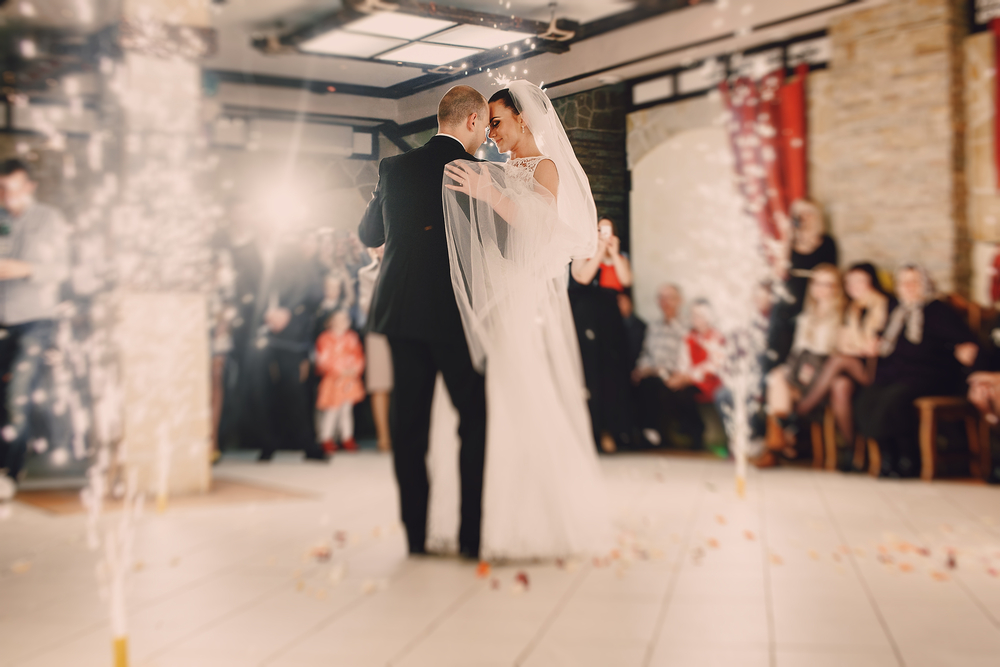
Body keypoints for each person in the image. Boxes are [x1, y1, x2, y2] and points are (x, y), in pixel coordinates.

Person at [437, 80, 613, 560]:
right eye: (488, 124)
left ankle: (530, 515)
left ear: (522, 117)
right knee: (486, 395)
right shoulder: (499, 168)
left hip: (520, 297)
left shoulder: (546, 167)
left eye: (497, 122)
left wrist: (488, 194)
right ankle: (479, 509)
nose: (491, 133)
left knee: (516, 389)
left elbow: (541, 233)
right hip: (493, 294)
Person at [358, 85, 489, 559]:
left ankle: (415, 537)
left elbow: (368, 234)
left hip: (401, 312)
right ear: (472, 121)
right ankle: (470, 538)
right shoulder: (480, 174)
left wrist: (384, 195)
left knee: (408, 427)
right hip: (458, 314)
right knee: (475, 419)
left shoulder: (393, 169)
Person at [855, 265, 978, 478]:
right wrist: (876, 343)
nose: (908, 287)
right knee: (867, 396)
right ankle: (888, 455)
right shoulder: (896, 309)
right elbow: (885, 339)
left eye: (914, 282)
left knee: (894, 398)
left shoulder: (938, 309)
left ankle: (908, 457)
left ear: (925, 284)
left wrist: (963, 349)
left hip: (931, 373)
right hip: (895, 373)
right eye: (903, 283)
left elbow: (963, 340)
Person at [0, 159, 70, 499]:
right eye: (2, 189)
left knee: (18, 396)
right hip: (2, 319)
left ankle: (10, 471)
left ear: (29, 186)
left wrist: (23, 269)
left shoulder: (49, 220)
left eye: (13, 188)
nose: (7, 196)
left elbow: (61, 268)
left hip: (36, 320)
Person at [794, 263, 892, 466]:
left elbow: (872, 347)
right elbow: (843, 344)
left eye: (859, 281)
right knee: (840, 386)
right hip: (853, 367)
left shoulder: (883, 305)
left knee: (838, 359)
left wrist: (857, 345)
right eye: (849, 282)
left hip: (877, 368)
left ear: (871, 282)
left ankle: (801, 411)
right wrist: (857, 345)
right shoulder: (852, 308)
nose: (853, 286)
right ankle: (853, 451)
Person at [243, 229, 326, 462]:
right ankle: (271, 444)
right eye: (309, 239)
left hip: (291, 337)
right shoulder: (282, 257)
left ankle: (303, 444)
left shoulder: (306, 264)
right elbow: (265, 293)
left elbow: (313, 295)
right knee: (265, 391)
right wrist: (270, 315)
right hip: (264, 334)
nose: (312, 245)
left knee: (294, 392)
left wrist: (287, 311)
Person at [763, 264, 844, 462]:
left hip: (824, 372)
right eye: (817, 283)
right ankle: (780, 441)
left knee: (779, 384)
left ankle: (779, 444)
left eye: (827, 284)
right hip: (801, 367)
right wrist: (791, 373)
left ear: (836, 287)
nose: (821, 289)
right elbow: (797, 352)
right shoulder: (806, 315)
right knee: (777, 377)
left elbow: (833, 353)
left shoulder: (842, 315)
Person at [764, 199, 838, 372]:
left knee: (798, 339)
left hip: (813, 295)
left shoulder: (827, 242)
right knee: (776, 333)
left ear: (816, 216)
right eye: (799, 214)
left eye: (808, 213)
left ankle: (791, 378)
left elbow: (831, 272)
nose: (804, 218)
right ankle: (771, 378)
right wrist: (787, 238)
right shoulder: (789, 242)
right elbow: (779, 272)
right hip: (789, 294)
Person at [632, 284, 704, 448]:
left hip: (680, 374)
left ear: (679, 301)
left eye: (670, 298)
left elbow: (692, 357)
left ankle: (693, 431)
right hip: (656, 374)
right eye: (662, 298)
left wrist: (682, 375)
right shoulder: (653, 327)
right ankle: (651, 434)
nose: (665, 302)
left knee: (674, 390)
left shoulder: (688, 326)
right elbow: (647, 354)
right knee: (645, 384)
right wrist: (641, 368)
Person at [357, 245, 392, 453]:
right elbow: (366, 304)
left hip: (405, 328)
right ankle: (384, 438)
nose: (380, 248)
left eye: (384, 241)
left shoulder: (406, 264)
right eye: (376, 244)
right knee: (380, 385)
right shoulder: (365, 273)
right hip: (378, 332)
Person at [315, 310, 365, 453]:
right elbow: (323, 360)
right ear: (331, 321)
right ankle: (326, 438)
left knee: (346, 410)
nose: (342, 322)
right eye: (338, 319)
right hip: (333, 380)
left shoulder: (352, 337)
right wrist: (339, 371)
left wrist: (354, 370)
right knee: (332, 410)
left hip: (349, 380)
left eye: (345, 319)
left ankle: (347, 438)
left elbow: (358, 355)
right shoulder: (324, 338)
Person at [570, 218, 633, 291]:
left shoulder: (622, 258)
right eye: (599, 230)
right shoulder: (584, 255)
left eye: (607, 230)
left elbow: (627, 282)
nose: (603, 234)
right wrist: (600, 251)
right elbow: (583, 279)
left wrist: (614, 254)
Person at [619, 292, 646, 374]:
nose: (619, 305)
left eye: (623, 302)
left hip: (635, 368)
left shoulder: (640, 326)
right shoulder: (614, 324)